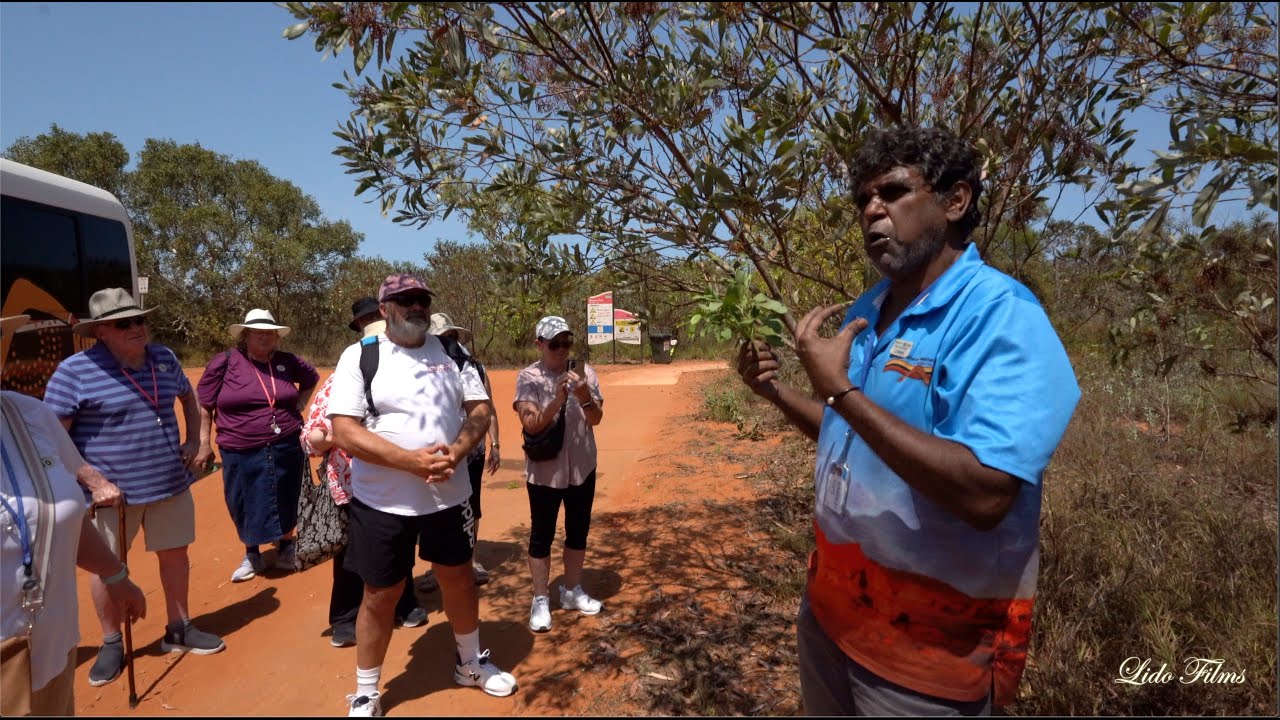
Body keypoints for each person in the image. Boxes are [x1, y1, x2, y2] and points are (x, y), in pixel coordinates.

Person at [736, 126, 1081, 716]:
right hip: (831, 618)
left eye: (893, 192)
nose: (872, 211)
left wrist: (840, 388)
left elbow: (986, 494)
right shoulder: (871, 307)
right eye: (862, 200)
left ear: (955, 201)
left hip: (932, 660)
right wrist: (774, 391)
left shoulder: (1001, 315)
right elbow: (852, 435)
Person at [327, 274, 516, 715]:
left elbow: (480, 410)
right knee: (380, 593)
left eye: (422, 300)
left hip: (450, 498)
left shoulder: (453, 353)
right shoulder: (361, 357)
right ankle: (367, 692)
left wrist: (457, 451)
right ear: (386, 309)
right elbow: (345, 431)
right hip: (382, 504)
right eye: (405, 300)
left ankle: (469, 663)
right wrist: (408, 461)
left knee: (458, 578)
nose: (416, 307)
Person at [43, 289, 225, 689]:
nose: (137, 328)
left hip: (170, 481)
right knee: (108, 570)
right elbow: (54, 437)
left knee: (175, 555)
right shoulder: (74, 372)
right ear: (101, 332)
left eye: (140, 319)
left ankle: (179, 627)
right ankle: (112, 643)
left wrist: (195, 439)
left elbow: (187, 398)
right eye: (124, 323)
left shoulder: (164, 357)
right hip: (113, 496)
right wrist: (92, 480)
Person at [2, 314, 147, 716]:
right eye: (123, 324)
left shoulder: (28, 414)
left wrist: (117, 576)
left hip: (53, 649)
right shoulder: (73, 374)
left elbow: (59, 512)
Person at [301, 297, 427, 649]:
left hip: (395, 476)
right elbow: (311, 433)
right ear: (359, 329)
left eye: (376, 318)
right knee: (350, 552)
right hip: (350, 482)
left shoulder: (406, 370)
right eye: (366, 322)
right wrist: (320, 439)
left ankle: (405, 603)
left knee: (398, 541)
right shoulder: (343, 373)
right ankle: (345, 616)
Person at [195, 309, 319, 582]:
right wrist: (203, 442)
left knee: (287, 492)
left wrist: (300, 401)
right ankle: (252, 553)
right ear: (246, 335)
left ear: (277, 337)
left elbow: (311, 378)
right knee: (243, 497)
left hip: (286, 442)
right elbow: (204, 404)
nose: (264, 336)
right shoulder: (225, 362)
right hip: (239, 445)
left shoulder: (287, 362)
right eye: (258, 332)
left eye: (270, 332)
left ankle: (287, 546)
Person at [514, 316, 605, 633]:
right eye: (555, 344)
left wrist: (583, 395)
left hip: (582, 467)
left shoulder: (585, 373)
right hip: (545, 473)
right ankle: (541, 598)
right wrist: (557, 399)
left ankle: (571, 589)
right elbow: (531, 423)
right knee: (541, 535)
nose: (562, 349)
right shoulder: (529, 377)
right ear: (539, 344)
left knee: (578, 531)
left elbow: (596, 419)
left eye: (567, 343)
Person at [426, 312, 500, 587]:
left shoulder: (475, 368)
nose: (449, 342)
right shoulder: (422, 371)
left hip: (473, 452)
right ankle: (437, 568)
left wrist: (496, 444)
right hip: (437, 453)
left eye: (452, 336)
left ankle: (470, 559)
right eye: (443, 337)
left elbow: (487, 410)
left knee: (472, 505)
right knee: (436, 508)